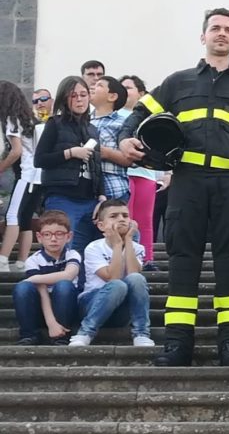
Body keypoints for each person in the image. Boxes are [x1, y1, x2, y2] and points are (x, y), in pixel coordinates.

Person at [119, 7, 229, 367]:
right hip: (187, 183)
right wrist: (126, 139)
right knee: (183, 261)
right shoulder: (177, 82)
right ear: (203, 36)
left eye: (228, 30)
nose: (221, 34)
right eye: (215, 28)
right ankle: (177, 343)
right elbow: (137, 116)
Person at [68, 199, 152, 347]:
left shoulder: (137, 247)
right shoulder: (93, 248)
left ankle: (141, 334)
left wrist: (128, 240)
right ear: (101, 225)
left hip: (121, 310)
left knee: (137, 279)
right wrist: (118, 244)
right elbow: (113, 278)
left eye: (125, 216)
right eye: (114, 216)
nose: (121, 219)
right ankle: (85, 333)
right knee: (117, 285)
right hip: (92, 302)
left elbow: (133, 275)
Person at [34, 76, 104, 254]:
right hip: (62, 195)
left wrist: (102, 196)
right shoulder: (55, 124)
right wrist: (70, 153)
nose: (80, 100)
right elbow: (40, 159)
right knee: (61, 248)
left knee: (88, 250)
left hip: (90, 197)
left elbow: (97, 166)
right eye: (74, 96)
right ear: (65, 98)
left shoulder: (92, 129)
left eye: (83, 95)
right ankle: (58, 281)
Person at [12, 210, 81, 345]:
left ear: (69, 236)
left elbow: (68, 275)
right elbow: (42, 291)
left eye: (59, 234)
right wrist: (51, 323)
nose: (53, 239)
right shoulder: (33, 260)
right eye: (47, 234)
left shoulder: (72, 255)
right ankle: (29, 334)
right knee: (23, 288)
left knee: (64, 285)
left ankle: (62, 335)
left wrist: (32, 278)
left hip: (66, 307)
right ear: (39, 237)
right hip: (41, 309)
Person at [121, 75, 159, 269]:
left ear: (141, 93)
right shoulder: (114, 114)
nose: (124, 91)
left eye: (129, 87)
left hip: (145, 173)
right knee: (125, 217)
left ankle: (147, 258)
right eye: (122, 88)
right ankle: (125, 257)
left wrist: (165, 175)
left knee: (145, 219)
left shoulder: (151, 118)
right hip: (122, 173)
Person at [0, 81, 38, 271]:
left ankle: (3, 260)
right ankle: (22, 262)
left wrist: (1, 167)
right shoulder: (29, 118)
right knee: (25, 219)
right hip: (38, 176)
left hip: (26, 174)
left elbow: (16, 152)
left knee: (13, 215)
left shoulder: (10, 119)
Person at [90, 76, 131, 202]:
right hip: (87, 188)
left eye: (99, 85)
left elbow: (131, 159)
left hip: (114, 188)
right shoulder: (84, 121)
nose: (93, 87)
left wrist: (106, 153)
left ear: (112, 97)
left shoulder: (123, 123)